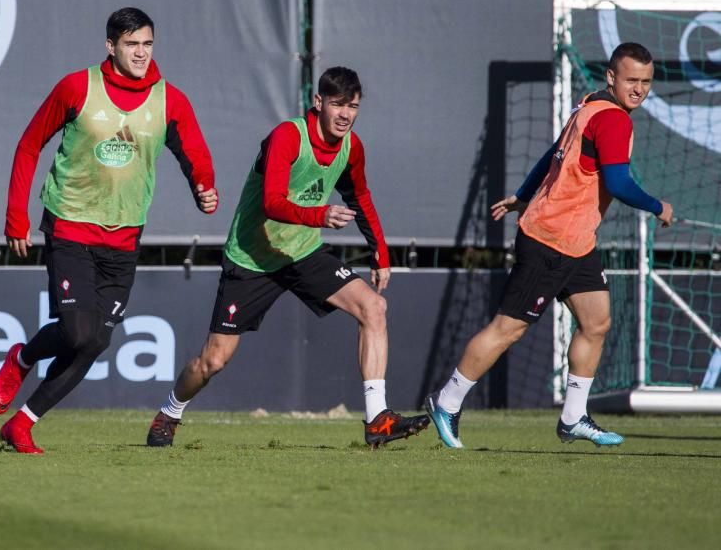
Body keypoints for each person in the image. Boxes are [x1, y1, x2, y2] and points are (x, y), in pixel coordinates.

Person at [145, 66, 429, 449]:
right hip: (251, 259)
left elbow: (360, 199)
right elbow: (272, 202)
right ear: (318, 102)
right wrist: (320, 215)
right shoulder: (288, 136)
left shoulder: (351, 147)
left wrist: (381, 256)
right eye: (338, 104)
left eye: (354, 106)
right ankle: (170, 412)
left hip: (303, 252)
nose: (345, 114)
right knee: (213, 361)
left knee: (373, 307)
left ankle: (377, 419)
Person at [0, 7, 217, 454]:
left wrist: (203, 188)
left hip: (124, 239)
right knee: (78, 333)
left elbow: (194, 149)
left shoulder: (169, 99)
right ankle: (22, 358)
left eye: (147, 44)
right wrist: (15, 217)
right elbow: (29, 143)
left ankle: (22, 423)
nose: (141, 53)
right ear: (110, 46)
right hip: (72, 227)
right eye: (132, 44)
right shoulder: (77, 87)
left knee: (96, 341)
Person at [424, 42, 674, 449]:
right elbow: (618, 184)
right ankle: (446, 401)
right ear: (611, 77)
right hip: (550, 241)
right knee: (508, 329)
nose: (639, 89)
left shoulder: (590, 104)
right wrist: (656, 205)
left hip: (576, 241)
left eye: (646, 82)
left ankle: (574, 417)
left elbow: (552, 154)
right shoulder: (613, 120)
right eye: (631, 80)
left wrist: (523, 194)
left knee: (596, 322)